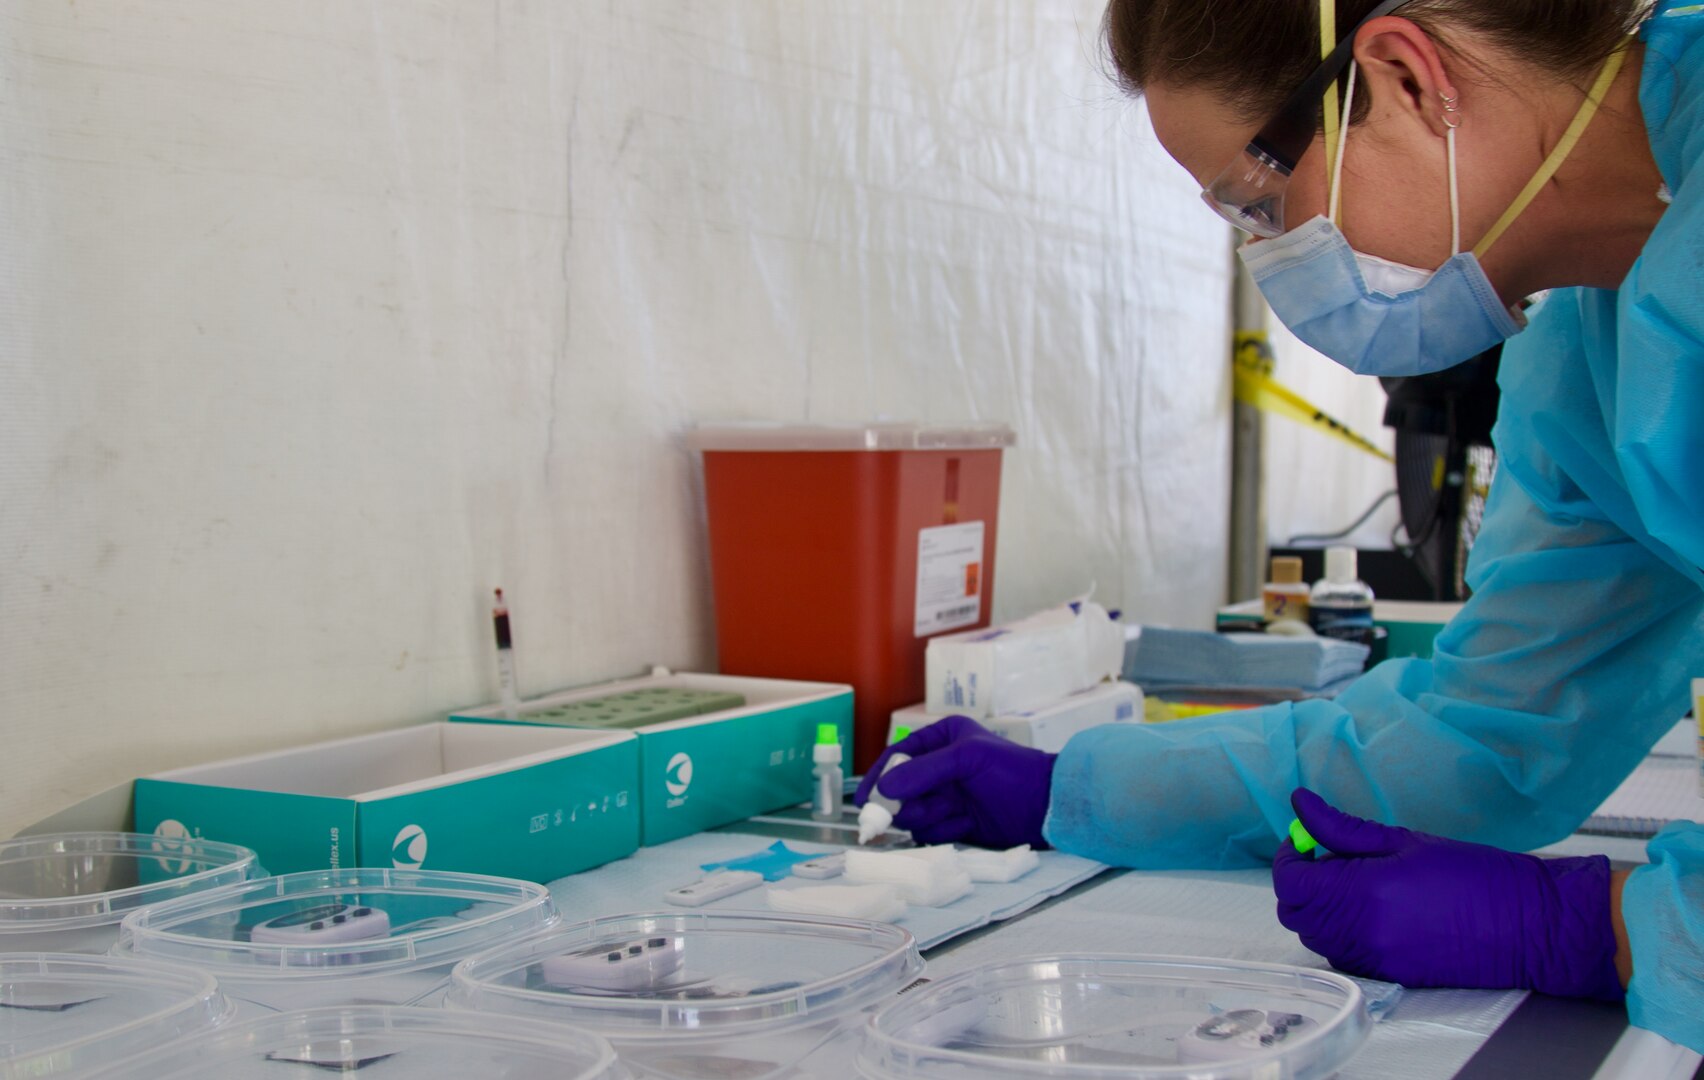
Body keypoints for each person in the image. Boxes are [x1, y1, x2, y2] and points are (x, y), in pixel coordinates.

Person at [856, 0, 1704, 1053]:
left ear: (1402, 76)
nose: (1271, 251)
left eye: (1255, 200)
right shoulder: (1592, 363)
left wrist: (1606, 928)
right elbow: (1491, 737)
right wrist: (1064, 787)